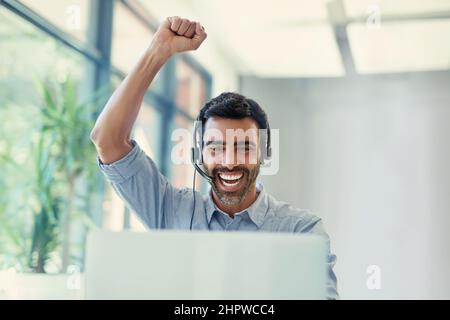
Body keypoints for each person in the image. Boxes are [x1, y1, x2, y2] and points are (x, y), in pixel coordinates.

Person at [90, 16, 338, 299]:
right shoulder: (170, 211)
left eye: (244, 146)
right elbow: (107, 140)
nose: (230, 161)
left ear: (264, 152)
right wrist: (158, 50)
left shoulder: (301, 232)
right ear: (200, 154)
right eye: (216, 147)